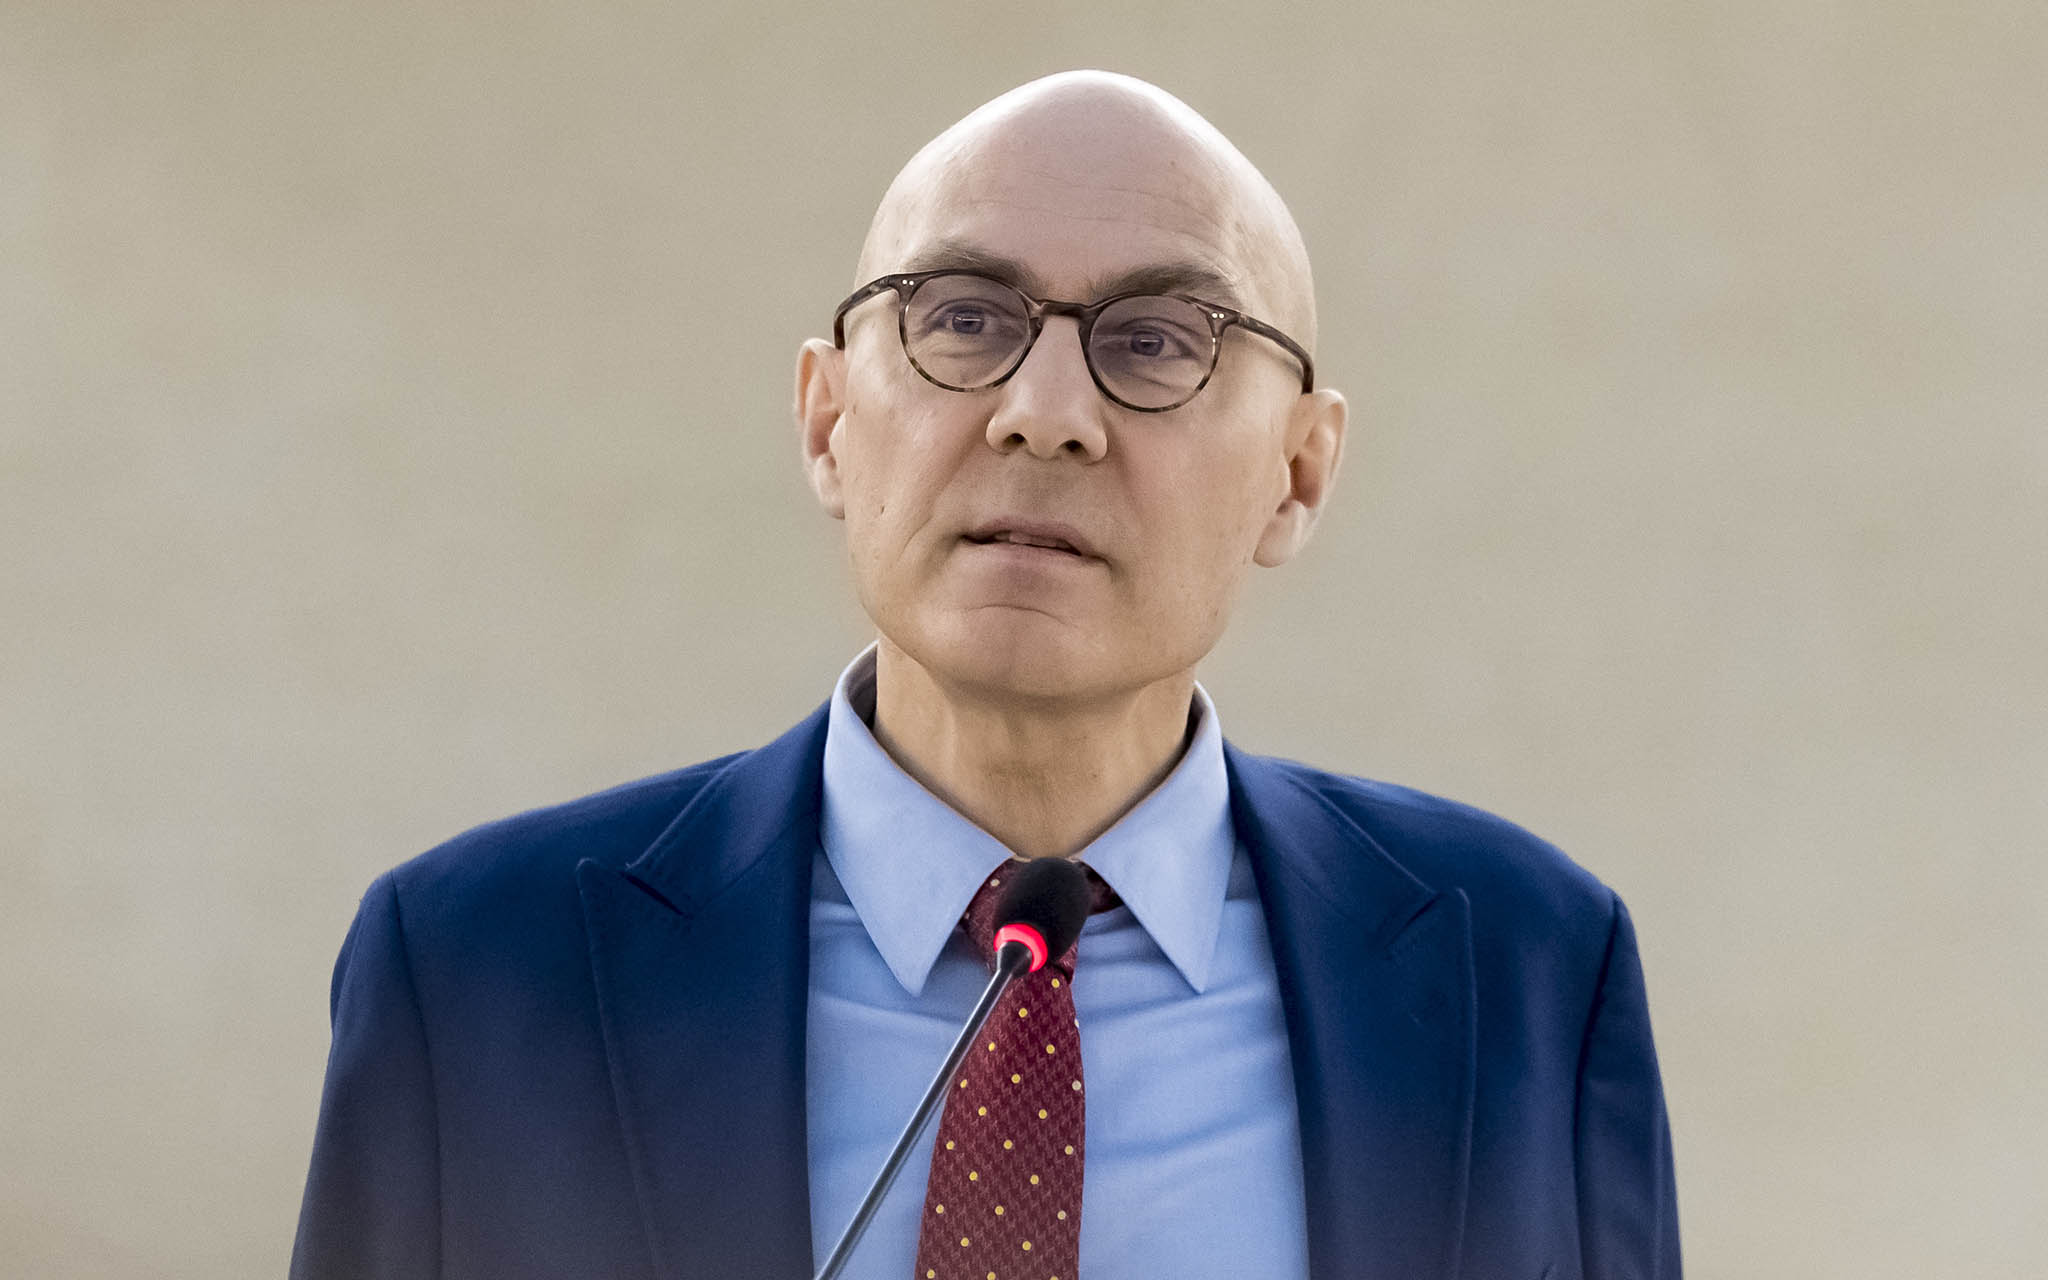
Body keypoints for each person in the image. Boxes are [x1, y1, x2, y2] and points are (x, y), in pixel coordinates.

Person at [291, 70, 1680, 1280]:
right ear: (828, 423)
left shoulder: (1525, 970)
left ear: (1299, 473)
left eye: (1157, 342)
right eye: (962, 319)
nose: (1047, 415)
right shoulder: (480, 971)